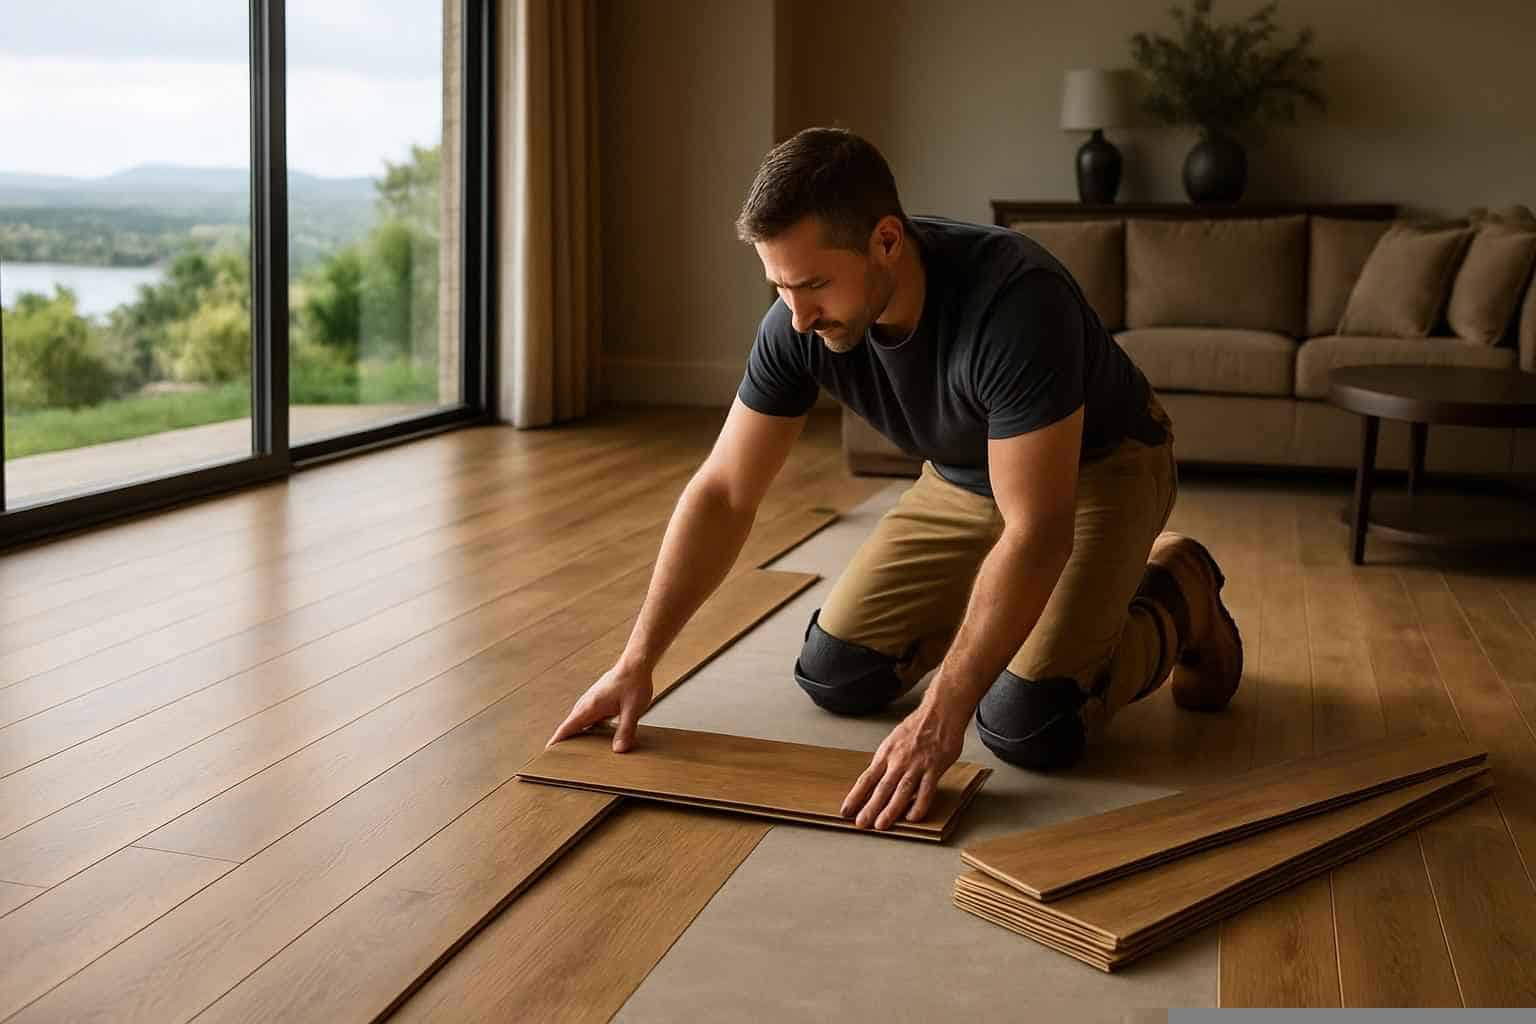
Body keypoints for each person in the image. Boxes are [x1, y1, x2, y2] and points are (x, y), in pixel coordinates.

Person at [547, 127, 1242, 831]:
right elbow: (725, 491)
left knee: (1030, 721)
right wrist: (637, 661)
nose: (798, 315)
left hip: (1099, 471)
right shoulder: (798, 325)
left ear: (886, 241)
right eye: (780, 286)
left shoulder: (1016, 302)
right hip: (964, 477)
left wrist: (941, 713)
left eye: (814, 283)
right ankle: (1006, 623)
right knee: (836, 673)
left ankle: (1179, 592)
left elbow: (1037, 530)